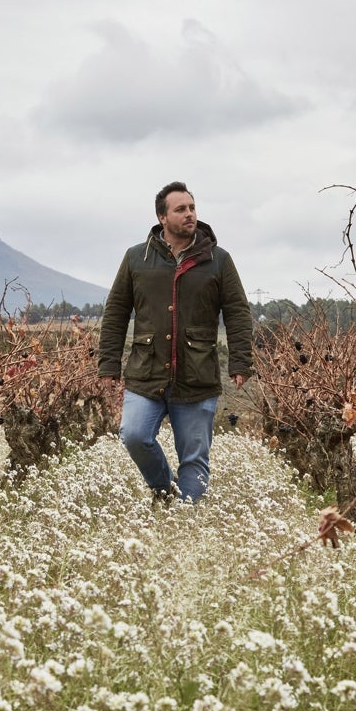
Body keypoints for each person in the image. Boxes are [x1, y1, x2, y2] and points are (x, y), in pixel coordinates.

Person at [97, 182, 253, 503]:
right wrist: (108, 364)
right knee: (135, 435)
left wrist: (240, 361)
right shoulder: (135, 258)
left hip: (197, 376)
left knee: (194, 460)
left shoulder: (218, 260)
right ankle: (164, 490)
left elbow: (238, 313)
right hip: (145, 372)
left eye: (192, 208)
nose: (189, 214)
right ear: (161, 216)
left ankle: (185, 521)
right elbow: (115, 312)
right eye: (180, 209)